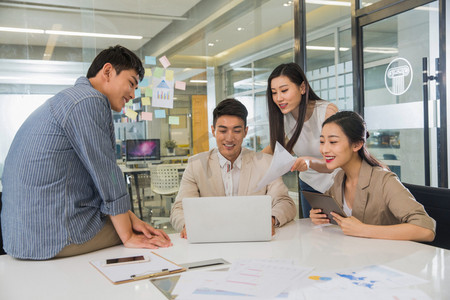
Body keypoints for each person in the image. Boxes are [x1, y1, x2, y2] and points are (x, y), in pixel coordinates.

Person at [1, 45, 172, 260]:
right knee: (154, 243)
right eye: (131, 83)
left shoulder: (68, 99)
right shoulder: (88, 101)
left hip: (24, 236)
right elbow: (107, 174)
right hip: (53, 236)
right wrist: (127, 234)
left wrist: (132, 220)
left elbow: (99, 176)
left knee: (135, 226)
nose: (133, 94)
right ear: (108, 71)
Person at [170, 98, 296, 238]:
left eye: (236, 131)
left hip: (253, 238)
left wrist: (270, 220)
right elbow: (179, 208)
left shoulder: (266, 163)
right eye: (223, 131)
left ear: (245, 132)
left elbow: (286, 203)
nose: (229, 138)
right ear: (213, 131)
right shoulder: (196, 165)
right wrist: (187, 225)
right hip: (210, 238)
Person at [311, 111, 435, 242]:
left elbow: (426, 229)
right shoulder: (339, 178)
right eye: (322, 141)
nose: (324, 150)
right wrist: (318, 215)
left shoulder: (384, 181)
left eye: (333, 141)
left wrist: (363, 229)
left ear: (357, 144)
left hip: (388, 258)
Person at [263, 63, 338, 218]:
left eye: (284, 90)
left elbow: (337, 161)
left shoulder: (326, 112)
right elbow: (275, 148)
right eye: (274, 92)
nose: (278, 98)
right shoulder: (284, 118)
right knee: (311, 232)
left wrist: (309, 162)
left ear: (302, 88)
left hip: (336, 182)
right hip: (309, 185)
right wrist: (246, 161)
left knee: (337, 233)